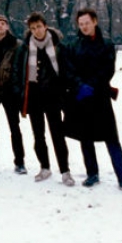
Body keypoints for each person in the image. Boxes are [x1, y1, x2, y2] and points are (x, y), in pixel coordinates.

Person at [63, 8, 122, 193]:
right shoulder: (73, 45)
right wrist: (79, 85)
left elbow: (108, 69)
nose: (84, 27)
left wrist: (93, 85)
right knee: (85, 138)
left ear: (95, 21)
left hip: (100, 97)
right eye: (81, 24)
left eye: (87, 23)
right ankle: (92, 173)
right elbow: (68, 69)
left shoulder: (106, 44)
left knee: (111, 138)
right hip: (81, 97)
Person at [12, 12, 75, 186]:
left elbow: (66, 71)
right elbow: (17, 72)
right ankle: (45, 167)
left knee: (57, 134)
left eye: (39, 27)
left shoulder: (58, 46)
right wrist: (19, 93)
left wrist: (65, 92)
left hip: (53, 96)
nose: (36, 31)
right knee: (38, 135)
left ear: (45, 26)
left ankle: (65, 170)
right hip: (33, 97)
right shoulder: (24, 48)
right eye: (33, 28)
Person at [0, 14, 26, 174]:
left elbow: (21, 69)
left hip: (10, 91)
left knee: (14, 127)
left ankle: (20, 161)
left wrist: (19, 89)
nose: (0, 26)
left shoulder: (17, 45)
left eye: (3, 24)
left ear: (7, 26)